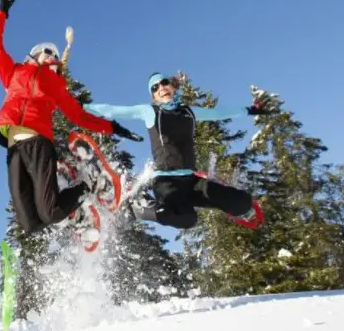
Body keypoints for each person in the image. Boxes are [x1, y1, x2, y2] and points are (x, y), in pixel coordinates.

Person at [0, 0, 143, 237]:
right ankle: (72, 205)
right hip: (14, 148)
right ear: (33, 54)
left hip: (38, 144)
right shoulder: (14, 72)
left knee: (50, 212)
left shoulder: (55, 85)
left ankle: (85, 186)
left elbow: (78, 116)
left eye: (55, 54)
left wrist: (113, 127)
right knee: (30, 224)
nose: (51, 55)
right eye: (46, 51)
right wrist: (1, 12)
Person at [85, 72, 272, 229]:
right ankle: (137, 209)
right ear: (154, 96)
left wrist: (249, 110)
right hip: (166, 182)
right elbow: (113, 110)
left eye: (164, 83)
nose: (161, 88)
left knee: (241, 202)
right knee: (187, 219)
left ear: (172, 87)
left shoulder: (188, 112)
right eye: (155, 88)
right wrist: (79, 106)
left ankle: (237, 205)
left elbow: (218, 113)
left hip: (191, 182)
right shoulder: (150, 111)